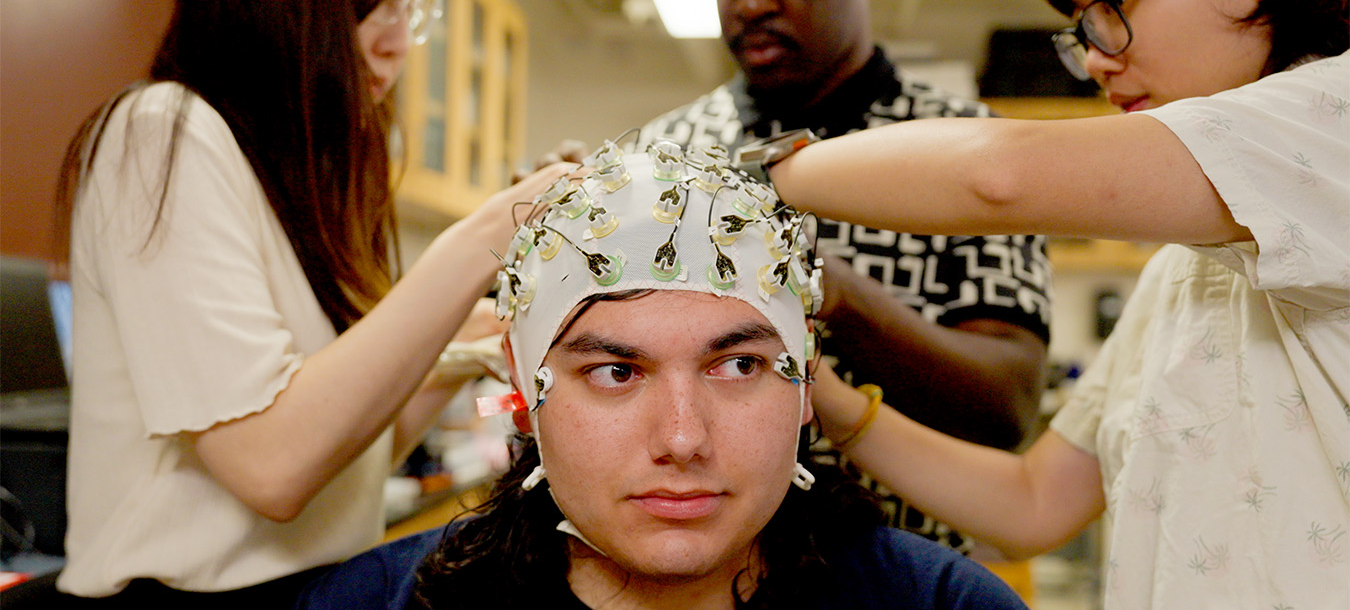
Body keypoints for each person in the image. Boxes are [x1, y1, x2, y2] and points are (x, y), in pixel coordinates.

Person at [760, 0, 1349, 608]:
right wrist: (824, 394)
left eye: (1108, 7)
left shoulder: (1334, 118)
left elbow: (998, 177)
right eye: (1080, 28)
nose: (1095, 59)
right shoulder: (1183, 272)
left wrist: (744, 183)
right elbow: (1033, 503)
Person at [296, 141, 1031, 610]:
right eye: (617, 370)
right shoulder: (384, 602)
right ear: (525, 392)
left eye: (739, 364)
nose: (682, 438)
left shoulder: (941, 603)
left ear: (805, 382)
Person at [52, 0, 571, 604]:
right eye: (372, 10)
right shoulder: (161, 131)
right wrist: (493, 227)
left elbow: (348, 449)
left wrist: (481, 334)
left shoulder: (298, 183)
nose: (398, 42)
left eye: (411, 10)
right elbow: (272, 466)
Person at [635, 0, 1052, 553]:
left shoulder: (967, 150)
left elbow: (1008, 409)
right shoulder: (659, 157)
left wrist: (842, 296)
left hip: (897, 566)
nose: (752, 3)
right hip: (696, 575)